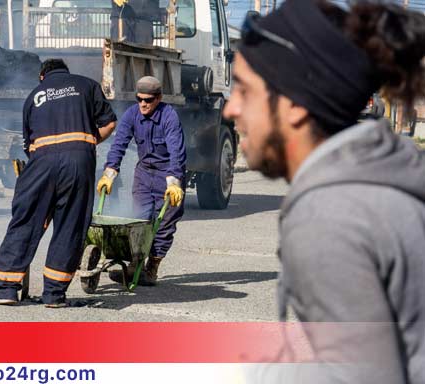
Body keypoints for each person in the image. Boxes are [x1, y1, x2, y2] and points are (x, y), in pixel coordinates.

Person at [223, 0, 425, 382]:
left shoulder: (329, 217)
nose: (230, 109)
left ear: (296, 105)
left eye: (245, 91)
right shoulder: (383, 177)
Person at [0, 59, 117, 307]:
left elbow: (28, 146)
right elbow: (110, 123)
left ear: (42, 76)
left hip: (42, 162)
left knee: (26, 220)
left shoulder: (34, 96)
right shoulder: (87, 85)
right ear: (67, 71)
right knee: (70, 225)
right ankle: (54, 295)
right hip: (79, 162)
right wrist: (84, 145)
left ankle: (5, 289)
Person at [98, 76, 185, 286]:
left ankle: (152, 268)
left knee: (164, 224)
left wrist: (174, 182)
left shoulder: (169, 116)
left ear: (159, 98)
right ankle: (134, 267)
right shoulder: (131, 114)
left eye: (149, 100)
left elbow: (177, 151)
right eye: (140, 99)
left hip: (167, 174)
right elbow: (119, 144)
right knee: (140, 222)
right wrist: (109, 174)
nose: (143, 104)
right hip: (144, 174)